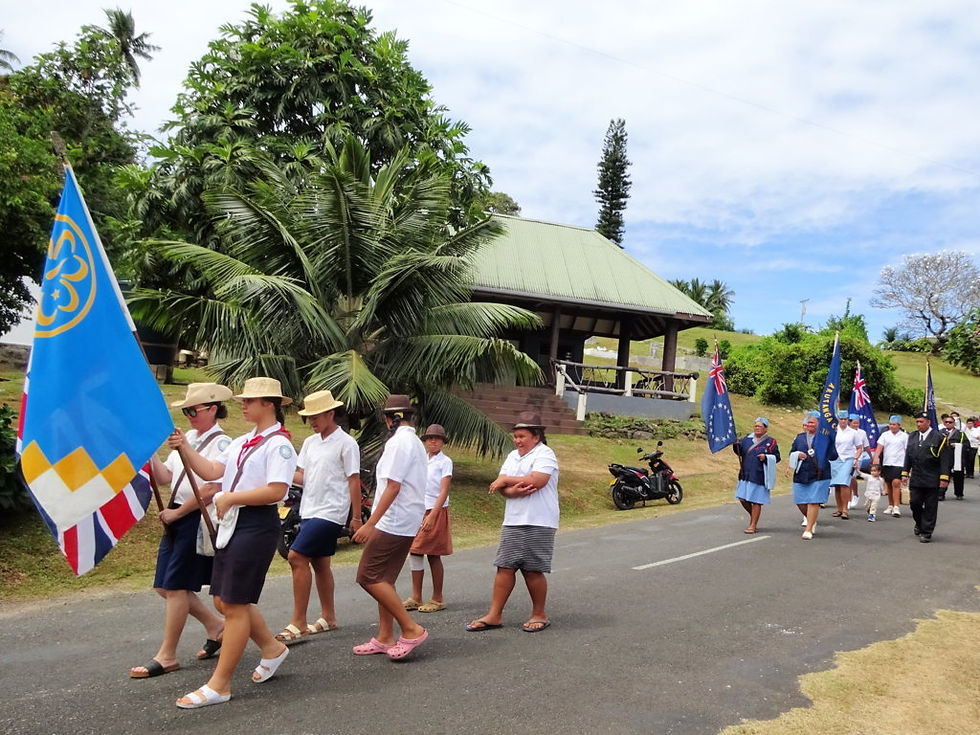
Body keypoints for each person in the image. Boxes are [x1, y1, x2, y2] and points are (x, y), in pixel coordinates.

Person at [168, 376, 298, 708]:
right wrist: (184, 447)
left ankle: (220, 684)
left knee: (236, 605)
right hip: (234, 522)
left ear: (268, 404)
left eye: (249, 401)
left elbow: (277, 490)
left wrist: (231, 498)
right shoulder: (243, 441)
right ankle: (271, 647)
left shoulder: (278, 444)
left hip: (256, 524)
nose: (242, 405)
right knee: (224, 602)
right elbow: (212, 471)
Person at [130, 383, 231, 679]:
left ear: (213, 408)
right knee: (164, 585)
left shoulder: (221, 443)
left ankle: (167, 654)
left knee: (176, 587)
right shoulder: (188, 438)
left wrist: (178, 512)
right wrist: (151, 455)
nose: (188, 416)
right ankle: (215, 625)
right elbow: (166, 478)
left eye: (193, 410)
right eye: (185, 410)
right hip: (176, 515)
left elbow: (213, 486)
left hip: (196, 518)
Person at [275, 390, 360, 643]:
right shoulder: (310, 443)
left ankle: (298, 622)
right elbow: (303, 476)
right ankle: (328, 617)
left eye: (316, 416)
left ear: (330, 413)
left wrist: (356, 517)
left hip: (332, 512)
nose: (312, 421)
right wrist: (280, 473)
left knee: (296, 556)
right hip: (309, 509)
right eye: (308, 417)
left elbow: (353, 480)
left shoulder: (347, 443)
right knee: (320, 563)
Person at [351, 394, 429, 660]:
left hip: (393, 520)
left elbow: (393, 486)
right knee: (384, 579)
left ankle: (411, 628)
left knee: (368, 576)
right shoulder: (415, 442)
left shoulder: (399, 443)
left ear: (389, 419)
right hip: (405, 519)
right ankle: (385, 636)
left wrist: (370, 524)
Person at [467, 411, 559, 633]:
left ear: (536, 436)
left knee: (532, 569)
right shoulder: (512, 456)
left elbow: (537, 480)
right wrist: (511, 491)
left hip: (539, 520)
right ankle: (494, 615)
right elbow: (504, 490)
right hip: (513, 520)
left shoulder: (545, 454)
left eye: (522, 436)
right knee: (505, 566)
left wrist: (506, 480)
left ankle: (539, 614)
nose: (517, 440)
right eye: (515, 436)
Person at [404, 424, 454, 613]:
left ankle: (437, 598)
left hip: (435, 510)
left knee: (433, 553)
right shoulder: (421, 460)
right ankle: (416, 596)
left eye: (437, 438)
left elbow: (444, 490)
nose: (433, 441)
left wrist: (433, 514)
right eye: (429, 438)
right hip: (418, 509)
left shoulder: (445, 462)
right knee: (415, 551)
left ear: (442, 442)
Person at [902, 411, 953, 543]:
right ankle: (919, 523)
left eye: (921, 422)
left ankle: (926, 531)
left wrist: (944, 478)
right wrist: (904, 473)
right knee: (914, 503)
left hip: (932, 477)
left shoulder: (939, 437)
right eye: (917, 422)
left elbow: (945, 460)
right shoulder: (912, 436)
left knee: (930, 506)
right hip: (917, 477)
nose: (919, 424)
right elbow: (908, 456)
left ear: (928, 422)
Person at [789, 411, 838, 540]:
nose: (809, 424)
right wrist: (797, 455)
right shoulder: (799, 437)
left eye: (812, 422)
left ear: (819, 424)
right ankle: (812, 519)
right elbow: (792, 452)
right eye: (808, 422)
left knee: (813, 501)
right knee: (800, 501)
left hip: (820, 473)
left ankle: (809, 528)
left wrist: (832, 441)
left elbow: (834, 456)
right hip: (802, 472)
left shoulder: (825, 437)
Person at [732, 417, 780, 534]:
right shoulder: (747, 439)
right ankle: (753, 516)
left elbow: (777, 457)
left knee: (756, 501)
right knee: (742, 498)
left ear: (765, 428)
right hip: (745, 473)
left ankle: (753, 525)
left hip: (759, 475)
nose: (757, 428)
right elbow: (740, 452)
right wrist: (735, 445)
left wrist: (766, 457)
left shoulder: (771, 441)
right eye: (755, 426)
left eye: (759, 426)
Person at [874, 415, 908, 517]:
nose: (892, 426)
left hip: (899, 463)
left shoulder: (904, 436)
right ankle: (890, 505)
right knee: (888, 484)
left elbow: (907, 451)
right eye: (891, 424)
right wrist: (876, 457)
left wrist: (908, 465)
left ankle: (896, 506)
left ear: (899, 425)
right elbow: (880, 447)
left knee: (896, 483)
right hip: (887, 462)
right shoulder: (885, 435)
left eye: (894, 424)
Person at [831, 413, 862, 519]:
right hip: (835, 459)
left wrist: (855, 458)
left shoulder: (853, 433)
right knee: (837, 485)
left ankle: (845, 509)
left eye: (845, 419)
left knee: (844, 484)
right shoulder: (834, 431)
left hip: (848, 459)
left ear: (848, 420)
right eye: (841, 419)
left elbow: (859, 447)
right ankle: (839, 508)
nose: (843, 421)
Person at [939, 413, 970, 500]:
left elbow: (967, 445)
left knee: (958, 477)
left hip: (957, 458)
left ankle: (959, 493)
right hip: (944, 457)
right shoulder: (940, 433)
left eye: (950, 422)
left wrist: (957, 445)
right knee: (944, 476)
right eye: (946, 422)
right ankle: (941, 493)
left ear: (954, 423)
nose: (948, 424)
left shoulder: (960, 434)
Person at [847, 414, 873, 509]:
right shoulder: (846, 432)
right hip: (847, 457)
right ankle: (848, 500)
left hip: (858, 458)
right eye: (854, 423)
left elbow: (866, 446)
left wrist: (871, 457)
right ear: (849, 423)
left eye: (857, 423)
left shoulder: (862, 433)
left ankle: (855, 495)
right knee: (848, 479)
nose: (856, 425)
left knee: (851, 477)